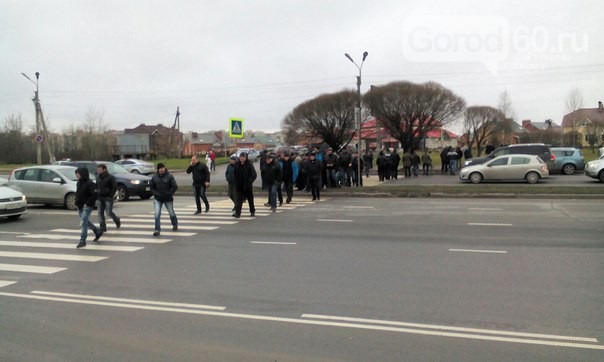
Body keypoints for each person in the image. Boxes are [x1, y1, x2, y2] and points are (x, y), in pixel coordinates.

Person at [75, 167, 102, 248]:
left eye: (78, 173)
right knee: (86, 221)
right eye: (76, 173)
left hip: (87, 206)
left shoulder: (90, 183)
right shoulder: (79, 183)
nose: (77, 175)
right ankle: (97, 231)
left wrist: (87, 203)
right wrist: (77, 202)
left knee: (83, 222)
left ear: (82, 174)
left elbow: (95, 194)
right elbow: (78, 193)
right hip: (80, 206)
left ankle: (82, 240)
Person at [150, 163, 178, 236]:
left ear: (165, 168)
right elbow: (152, 187)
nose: (162, 169)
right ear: (158, 169)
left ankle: (175, 224)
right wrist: (155, 193)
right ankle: (157, 230)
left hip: (168, 198)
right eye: (160, 168)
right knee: (157, 214)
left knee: (171, 212)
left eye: (163, 168)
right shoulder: (154, 177)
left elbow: (174, 186)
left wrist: (169, 193)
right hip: (158, 198)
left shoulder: (169, 176)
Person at [96, 163, 120, 232]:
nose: (98, 171)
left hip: (107, 197)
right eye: (98, 170)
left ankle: (116, 220)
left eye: (100, 170)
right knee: (100, 213)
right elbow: (96, 186)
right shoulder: (97, 177)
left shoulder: (110, 177)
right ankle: (102, 227)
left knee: (108, 212)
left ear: (104, 169)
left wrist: (110, 195)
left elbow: (114, 187)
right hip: (99, 197)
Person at [233, 152, 257, 218]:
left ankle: (252, 211)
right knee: (239, 200)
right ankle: (237, 213)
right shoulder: (237, 164)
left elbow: (254, 175)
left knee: (250, 199)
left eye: (243, 157)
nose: (242, 158)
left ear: (246, 158)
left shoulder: (249, 165)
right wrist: (236, 182)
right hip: (239, 185)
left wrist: (249, 181)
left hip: (247, 186)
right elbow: (235, 174)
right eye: (241, 157)